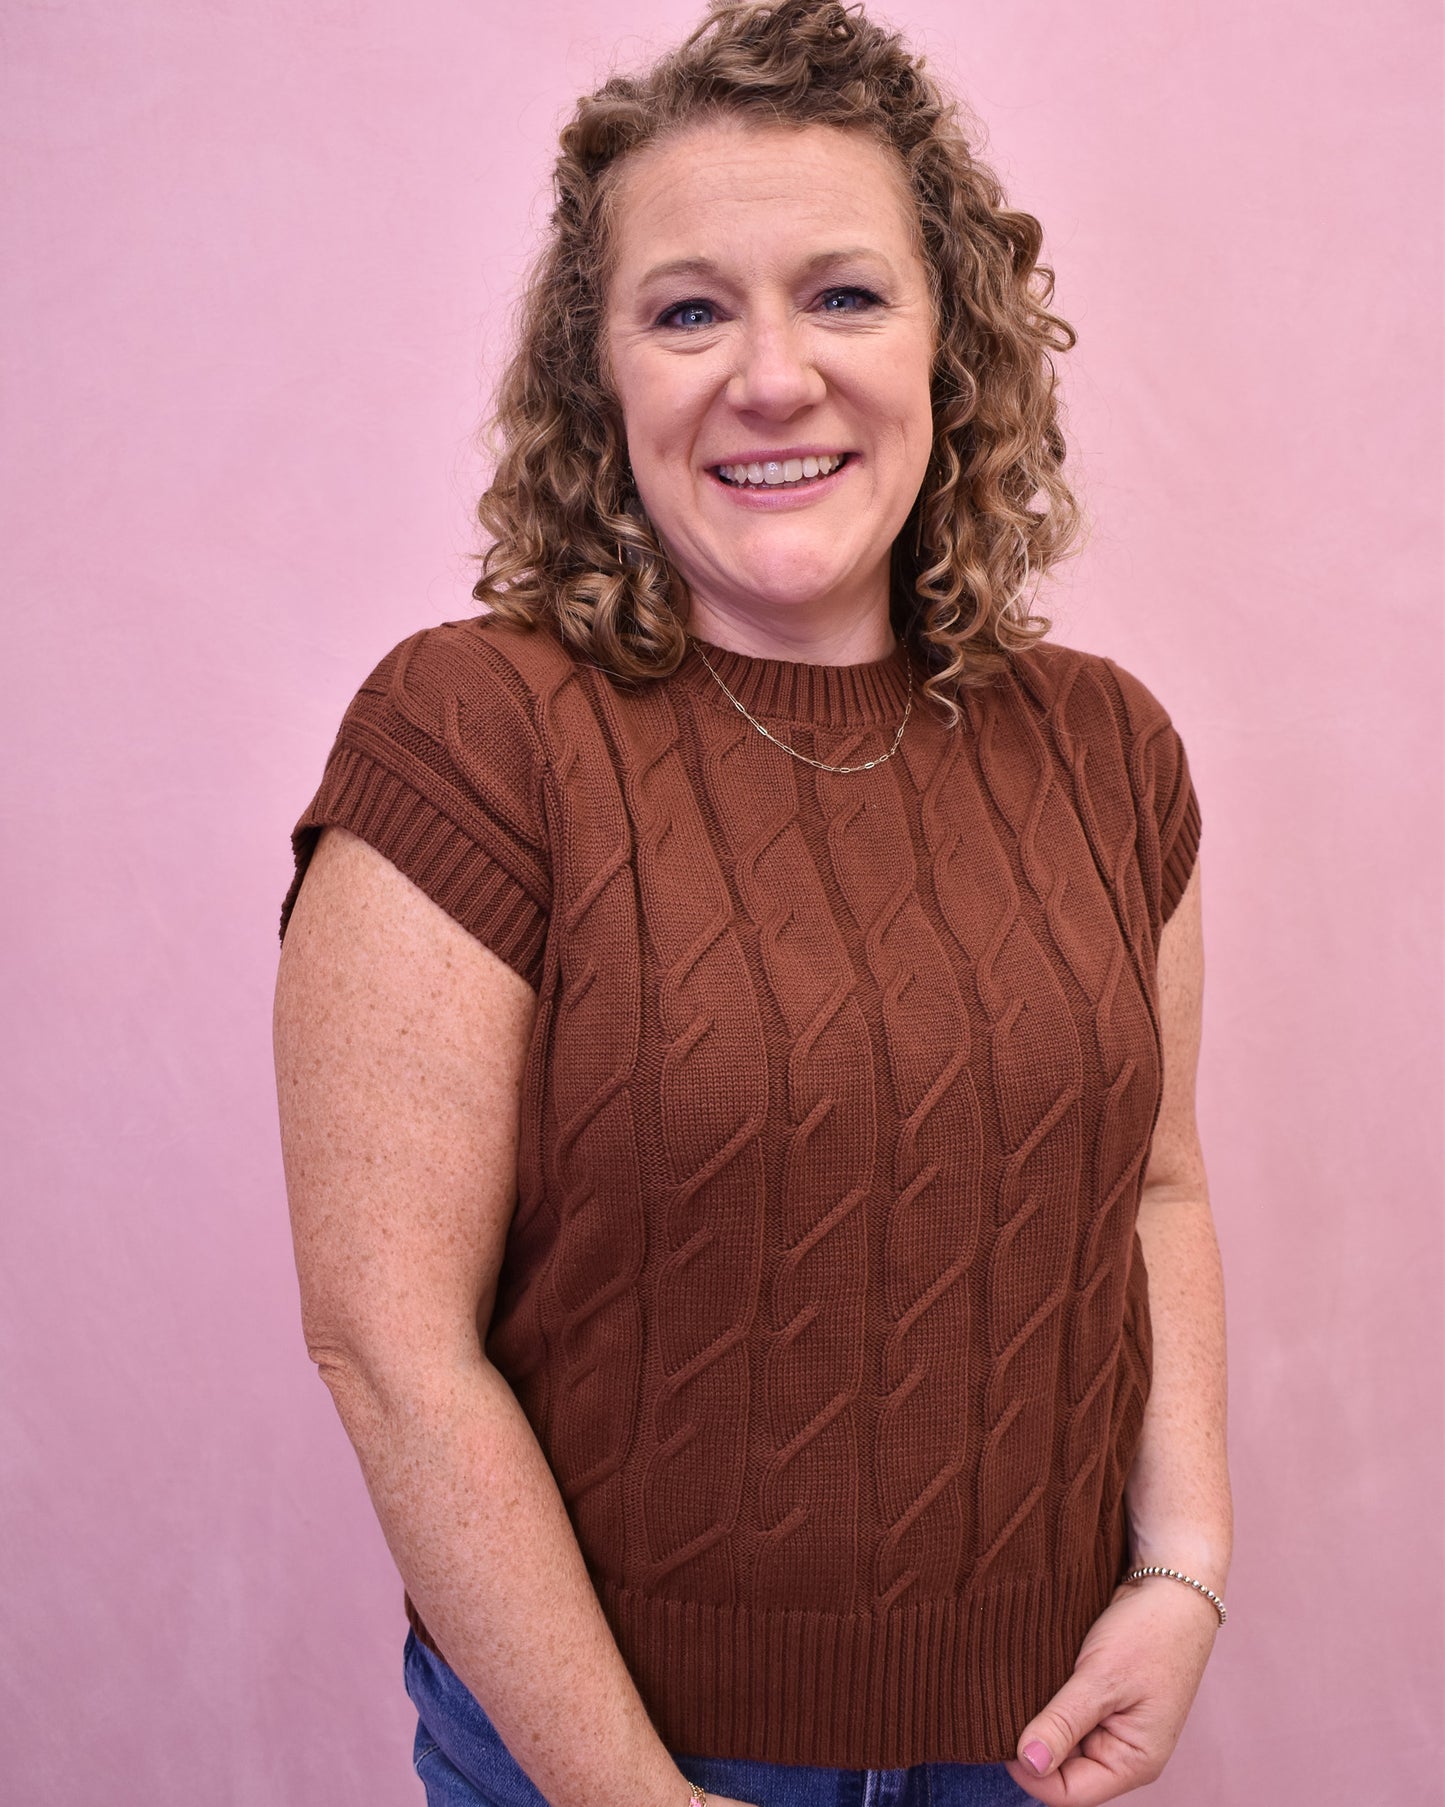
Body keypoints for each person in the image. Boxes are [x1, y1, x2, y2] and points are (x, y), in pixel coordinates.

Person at [272, 3, 1231, 1805]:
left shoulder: (1107, 751)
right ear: (601, 379)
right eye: (688, 307)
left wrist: (1181, 1573)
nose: (770, 374)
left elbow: (1155, 1186)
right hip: (610, 1759)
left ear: (953, 351)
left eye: (844, 295)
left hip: (1026, 1749)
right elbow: (388, 1341)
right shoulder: (474, 735)